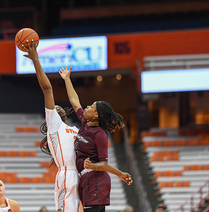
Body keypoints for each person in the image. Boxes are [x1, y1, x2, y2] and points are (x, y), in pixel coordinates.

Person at [59, 66, 133, 212]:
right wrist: (67, 79)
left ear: (97, 115)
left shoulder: (100, 134)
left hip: (96, 180)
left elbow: (103, 164)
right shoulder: (84, 123)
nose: (87, 106)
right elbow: (75, 102)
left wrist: (119, 174)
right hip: (87, 179)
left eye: (92, 106)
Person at [23, 41, 81, 212]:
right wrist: (35, 61)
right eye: (53, 109)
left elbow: (76, 103)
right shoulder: (54, 126)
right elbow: (47, 89)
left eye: (57, 107)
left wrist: (67, 80)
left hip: (80, 175)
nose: (55, 108)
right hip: (66, 174)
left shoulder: (76, 129)